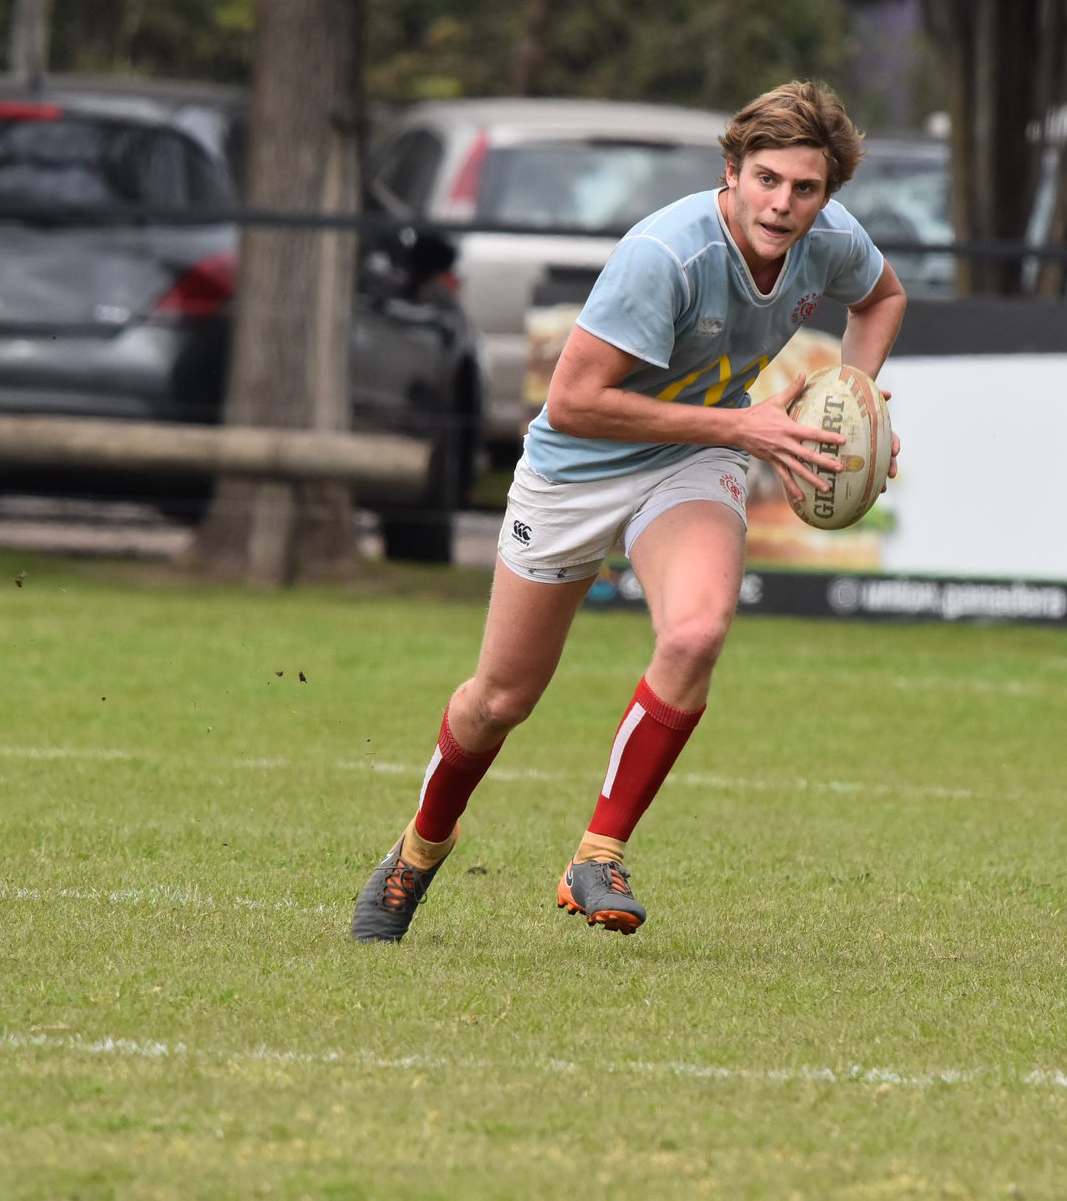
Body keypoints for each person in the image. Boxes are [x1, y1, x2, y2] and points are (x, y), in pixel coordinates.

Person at [351, 81, 907, 942]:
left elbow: (882, 297)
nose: (783, 204)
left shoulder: (827, 239)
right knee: (500, 699)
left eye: (805, 188)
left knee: (695, 632)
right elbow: (572, 403)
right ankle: (419, 851)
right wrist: (746, 424)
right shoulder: (669, 256)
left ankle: (598, 854)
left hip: (692, 459)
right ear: (732, 170)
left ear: (828, 193)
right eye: (766, 179)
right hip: (576, 469)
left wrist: (855, 405)